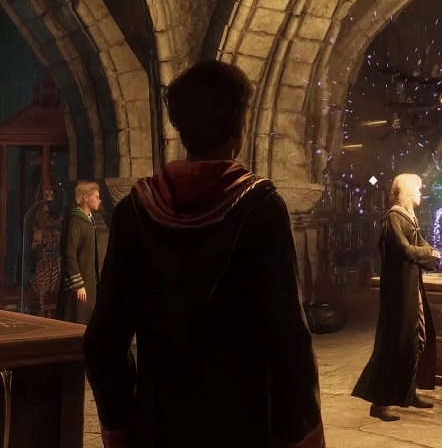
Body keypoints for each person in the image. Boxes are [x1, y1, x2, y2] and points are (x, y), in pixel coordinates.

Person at [82, 60, 325, 448]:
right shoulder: (261, 207)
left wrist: (122, 428)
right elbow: (289, 341)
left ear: (182, 129)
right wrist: (300, 433)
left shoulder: (134, 210)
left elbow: (103, 340)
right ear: (239, 128)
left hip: (160, 425)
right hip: (243, 425)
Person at [352, 173, 441, 422]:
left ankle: (408, 392)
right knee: (393, 344)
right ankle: (379, 403)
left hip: (411, 288)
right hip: (398, 292)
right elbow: (403, 249)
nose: (420, 193)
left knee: (416, 339)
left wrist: (431, 254)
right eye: (418, 189)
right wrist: (428, 253)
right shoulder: (393, 218)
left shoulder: (409, 218)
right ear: (406, 192)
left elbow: (421, 245)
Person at [56, 181, 101, 324]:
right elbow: (69, 254)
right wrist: (78, 284)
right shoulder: (74, 222)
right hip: (78, 284)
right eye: (96, 197)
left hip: (89, 281)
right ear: (86, 198)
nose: (99, 200)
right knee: (76, 319)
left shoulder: (89, 221)